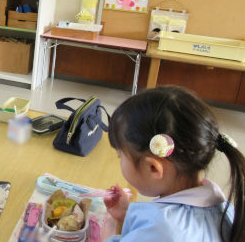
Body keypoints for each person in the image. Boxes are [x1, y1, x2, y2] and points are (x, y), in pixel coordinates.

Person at [104, 86, 244, 242]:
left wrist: (108, 232)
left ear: (153, 168)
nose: (120, 161)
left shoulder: (163, 230)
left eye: (120, 156)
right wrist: (128, 214)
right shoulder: (223, 208)